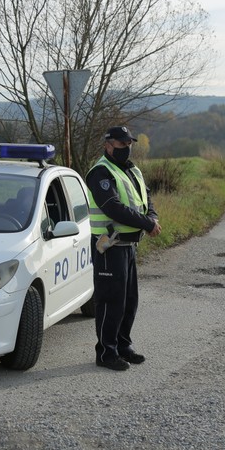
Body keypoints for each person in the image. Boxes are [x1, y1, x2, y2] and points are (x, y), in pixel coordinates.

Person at [85, 126, 162, 371]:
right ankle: (106, 353)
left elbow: (145, 198)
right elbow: (113, 207)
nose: (126, 148)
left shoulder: (130, 169)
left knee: (129, 301)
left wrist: (152, 217)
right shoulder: (101, 172)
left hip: (129, 245)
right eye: (121, 144)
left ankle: (123, 346)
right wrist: (146, 223)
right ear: (108, 145)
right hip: (110, 247)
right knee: (110, 301)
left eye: (129, 144)